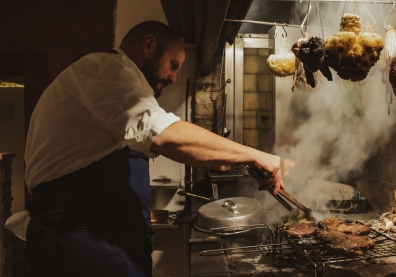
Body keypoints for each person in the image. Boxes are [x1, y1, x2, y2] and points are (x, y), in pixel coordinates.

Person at [17, 21, 284, 277]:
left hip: (101, 243)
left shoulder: (115, 83)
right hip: (79, 247)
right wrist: (256, 154)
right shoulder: (104, 69)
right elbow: (166, 136)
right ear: (148, 45)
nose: (173, 76)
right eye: (173, 64)